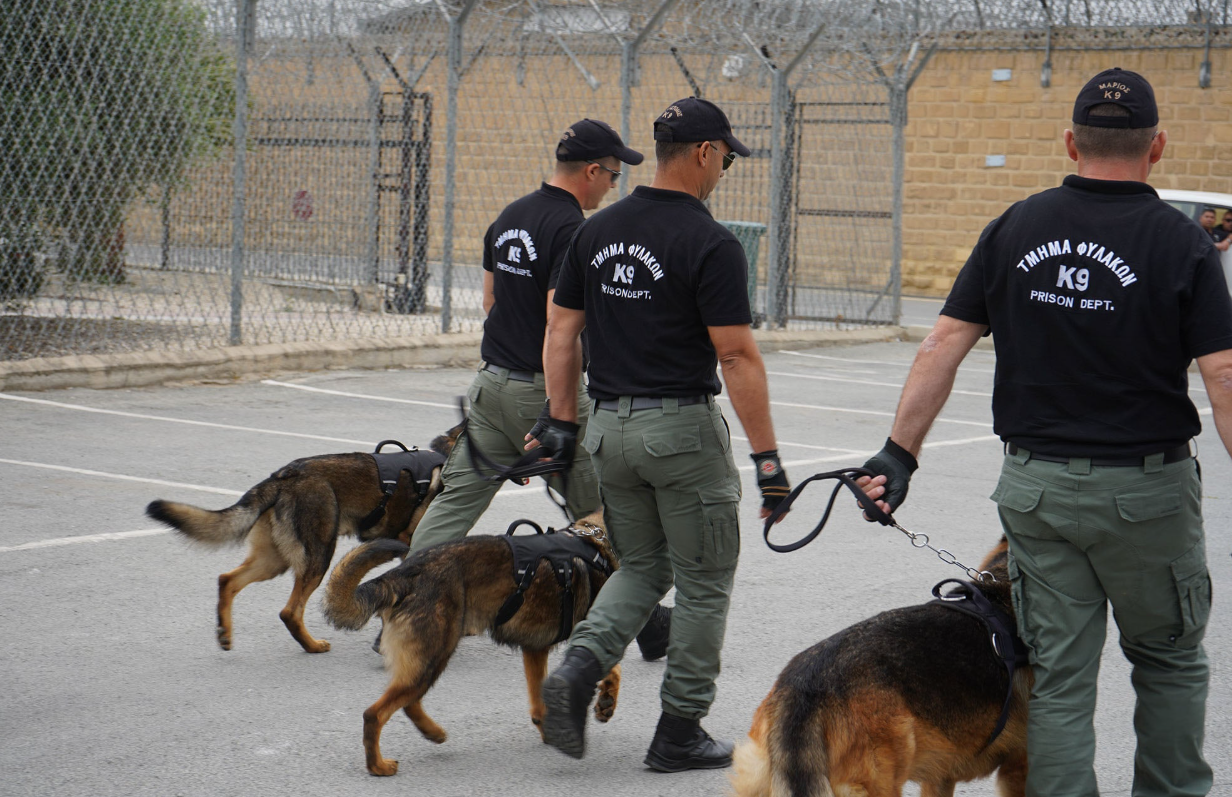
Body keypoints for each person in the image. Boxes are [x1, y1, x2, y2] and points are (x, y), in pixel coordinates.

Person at [858, 68, 1232, 797]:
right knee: (1168, 661)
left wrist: (898, 453)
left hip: (1037, 490)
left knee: (1060, 674)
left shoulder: (1015, 226)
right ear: (1155, 148)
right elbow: (1223, 373)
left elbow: (942, 342)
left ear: (1070, 141)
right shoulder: (1180, 243)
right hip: (1145, 493)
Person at [532, 97, 791, 772]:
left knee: (644, 564)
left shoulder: (596, 231)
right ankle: (679, 727)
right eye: (727, 158)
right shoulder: (710, 242)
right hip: (679, 432)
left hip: (607, 427)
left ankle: (578, 668)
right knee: (704, 579)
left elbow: (561, 332)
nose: (726, 169)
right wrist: (768, 462)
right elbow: (735, 356)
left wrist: (562, 422)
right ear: (704, 152)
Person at [376, 121, 671, 658]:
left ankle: (403, 610)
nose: (614, 185)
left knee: (455, 500)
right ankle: (646, 624)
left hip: (492, 384)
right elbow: (562, 321)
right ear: (590, 171)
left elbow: (491, 301)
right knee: (603, 511)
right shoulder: (571, 230)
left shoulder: (511, 216)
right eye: (612, 174)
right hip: (545, 393)